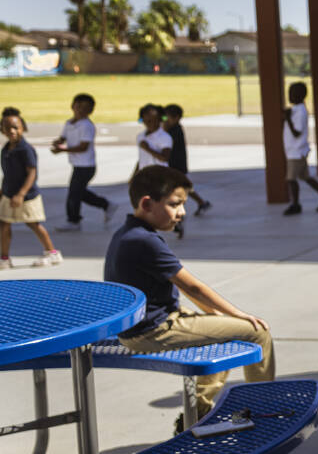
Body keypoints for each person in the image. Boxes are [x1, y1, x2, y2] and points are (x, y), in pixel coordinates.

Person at [105, 165, 274, 427]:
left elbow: (185, 288)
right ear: (147, 203)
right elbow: (193, 287)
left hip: (143, 326)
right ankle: (262, 411)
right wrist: (239, 315)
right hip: (153, 332)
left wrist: (215, 315)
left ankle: (198, 414)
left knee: (222, 329)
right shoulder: (145, 241)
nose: (182, 212)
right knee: (256, 331)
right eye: (175, 204)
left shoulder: (129, 232)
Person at [0, 107, 63, 270]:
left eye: (15, 127)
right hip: (8, 194)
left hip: (27, 196)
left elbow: (32, 173)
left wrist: (21, 194)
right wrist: (0, 197)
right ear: (2, 130)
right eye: (7, 127)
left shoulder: (25, 149)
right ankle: (4, 258)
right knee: (3, 222)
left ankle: (52, 252)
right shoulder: (6, 149)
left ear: (23, 128)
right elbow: (6, 175)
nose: (12, 131)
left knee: (33, 223)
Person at [52, 92, 117, 231]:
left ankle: (74, 220)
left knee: (74, 194)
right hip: (77, 164)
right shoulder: (69, 123)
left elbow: (83, 147)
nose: (81, 110)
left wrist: (63, 150)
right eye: (78, 106)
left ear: (91, 111)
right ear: (72, 106)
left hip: (86, 166)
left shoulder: (87, 126)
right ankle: (106, 205)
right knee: (78, 192)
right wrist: (58, 142)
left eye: (85, 108)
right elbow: (63, 137)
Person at [281, 82, 318, 216]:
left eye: (293, 93)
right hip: (295, 151)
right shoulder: (295, 109)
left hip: (297, 151)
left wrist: (287, 119)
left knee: (291, 179)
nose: (290, 96)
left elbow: (296, 132)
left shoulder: (300, 112)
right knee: (305, 177)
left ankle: (295, 204)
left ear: (301, 96)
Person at [163, 104, 211, 240]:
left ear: (176, 118)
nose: (166, 120)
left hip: (176, 165)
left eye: (168, 117)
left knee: (180, 190)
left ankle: (179, 217)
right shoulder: (173, 128)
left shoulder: (175, 130)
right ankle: (201, 203)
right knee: (183, 188)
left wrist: (164, 129)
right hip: (175, 165)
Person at [135, 104, 173, 172]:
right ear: (143, 120)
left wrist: (147, 148)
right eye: (148, 121)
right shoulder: (140, 136)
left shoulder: (165, 137)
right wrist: (134, 175)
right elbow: (142, 158)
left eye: (155, 120)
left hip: (159, 174)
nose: (151, 123)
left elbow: (164, 158)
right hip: (144, 175)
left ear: (160, 119)